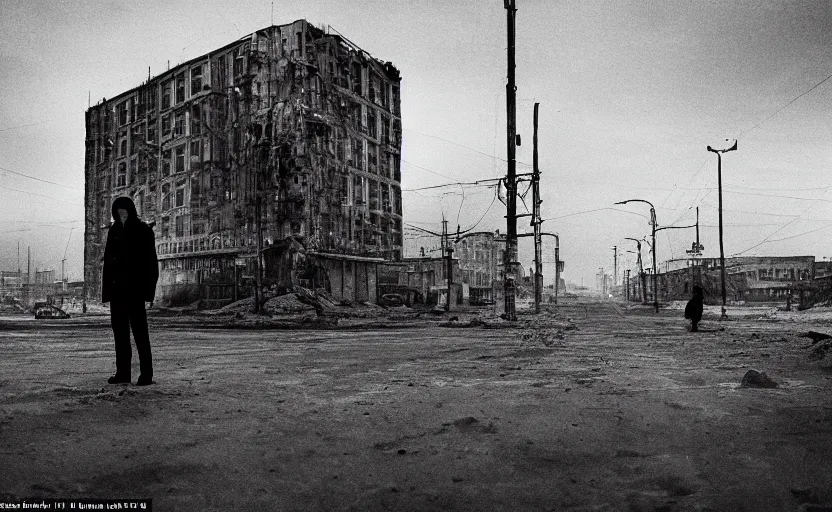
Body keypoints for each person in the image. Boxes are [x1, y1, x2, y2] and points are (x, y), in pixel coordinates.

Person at [102, 197, 159, 385]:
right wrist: (107, 293)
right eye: (118, 213)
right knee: (120, 336)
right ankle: (123, 373)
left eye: (124, 212)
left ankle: (146, 374)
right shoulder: (114, 231)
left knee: (140, 334)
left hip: (135, 292)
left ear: (131, 212)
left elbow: (151, 264)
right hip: (118, 293)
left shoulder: (143, 231)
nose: (122, 215)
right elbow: (108, 265)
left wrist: (148, 292)